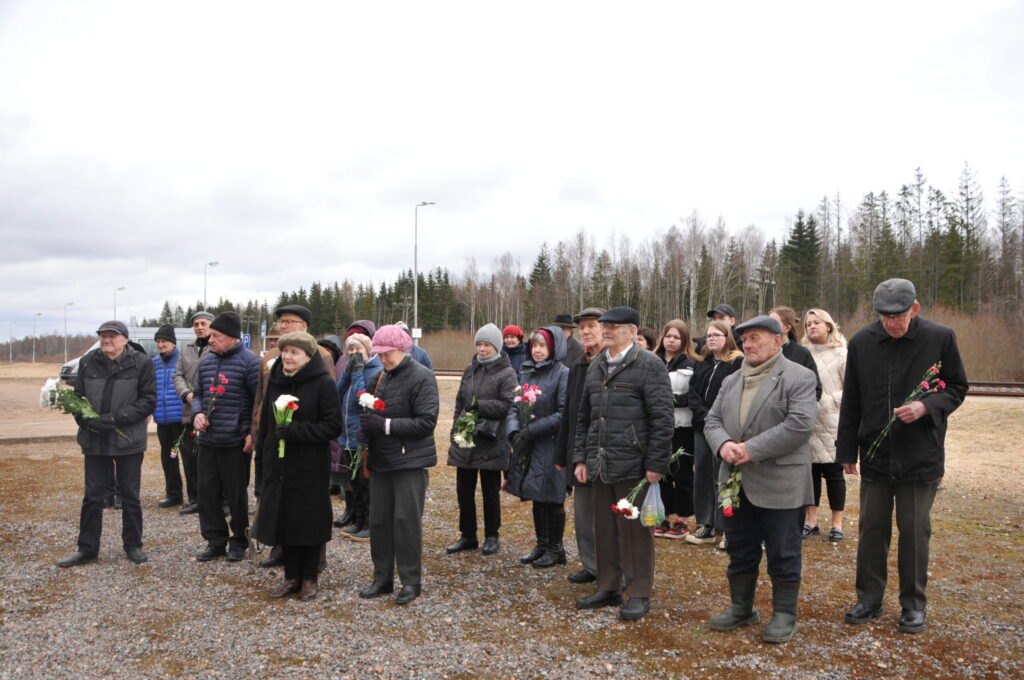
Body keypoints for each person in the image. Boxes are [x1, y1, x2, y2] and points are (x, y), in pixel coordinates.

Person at [837, 279, 967, 634]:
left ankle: (913, 604)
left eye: (899, 316)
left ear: (915, 309)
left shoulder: (940, 337)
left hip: (919, 454)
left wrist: (927, 406)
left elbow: (957, 387)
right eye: (885, 317)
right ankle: (869, 598)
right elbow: (853, 400)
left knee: (914, 532)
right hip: (876, 454)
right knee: (871, 530)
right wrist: (846, 449)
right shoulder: (862, 342)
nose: (892, 323)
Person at [703, 315, 817, 644]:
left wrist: (751, 449)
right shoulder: (732, 380)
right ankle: (742, 608)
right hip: (735, 481)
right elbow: (711, 421)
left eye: (755, 338)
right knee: (740, 549)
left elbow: (799, 425)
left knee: (783, 551)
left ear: (778, 340)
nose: (748, 345)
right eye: (745, 340)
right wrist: (723, 444)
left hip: (781, 482)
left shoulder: (799, 377)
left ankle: (784, 614)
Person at [572, 306, 674, 621]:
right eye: (605, 326)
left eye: (613, 326)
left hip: (634, 465)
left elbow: (662, 419)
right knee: (603, 528)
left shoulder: (648, 365)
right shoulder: (597, 364)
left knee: (634, 531)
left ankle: (639, 592)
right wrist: (581, 457)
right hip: (601, 463)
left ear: (631, 331)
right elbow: (584, 417)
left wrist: (656, 463)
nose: (606, 330)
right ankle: (608, 586)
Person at [57, 320, 157, 568]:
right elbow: (77, 398)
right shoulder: (89, 361)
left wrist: (115, 419)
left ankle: (133, 545)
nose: (106, 340)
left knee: (130, 495)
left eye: (112, 336)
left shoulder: (141, 362)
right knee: (93, 496)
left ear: (124, 339)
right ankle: (87, 548)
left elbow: (148, 400)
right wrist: (86, 421)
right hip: (95, 440)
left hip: (129, 440)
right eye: (103, 336)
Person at [256, 332, 343, 601]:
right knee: (284, 521)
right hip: (279, 464)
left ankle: (309, 578)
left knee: (307, 521)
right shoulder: (276, 381)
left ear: (308, 356)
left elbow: (332, 426)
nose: (287, 356)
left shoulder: (322, 384)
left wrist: (296, 431)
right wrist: (265, 455)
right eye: (285, 351)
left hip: (309, 465)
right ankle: (290, 576)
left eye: (294, 352)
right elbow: (267, 424)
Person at [356, 325, 439, 606]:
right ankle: (382, 578)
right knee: (379, 522)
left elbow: (427, 422)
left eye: (387, 353)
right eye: (378, 354)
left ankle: (410, 580)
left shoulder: (423, 377)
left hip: (409, 462)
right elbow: (368, 411)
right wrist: (365, 429)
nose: (383, 359)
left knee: (405, 522)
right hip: (381, 460)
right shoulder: (379, 377)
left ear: (402, 349)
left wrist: (386, 425)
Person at [192, 311, 261, 563]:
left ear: (232, 338)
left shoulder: (250, 362)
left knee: (236, 495)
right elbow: (197, 392)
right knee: (207, 493)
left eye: (216, 336)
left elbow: (258, 402)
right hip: (208, 440)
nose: (210, 340)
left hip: (235, 442)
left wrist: (252, 433)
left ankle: (239, 541)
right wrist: (197, 412)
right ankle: (215, 540)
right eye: (210, 336)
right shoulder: (207, 361)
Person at [445, 323, 516, 556]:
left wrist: (478, 406)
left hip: (491, 440)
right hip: (466, 439)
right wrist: (456, 431)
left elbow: (508, 405)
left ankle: (492, 536)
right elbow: (459, 403)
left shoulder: (507, 373)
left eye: (486, 345)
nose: (482, 349)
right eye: (479, 344)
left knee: (489, 491)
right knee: (463, 491)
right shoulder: (470, 370)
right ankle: (468, 535)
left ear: (496, 346)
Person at [506, 325, 570, 568]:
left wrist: (532, 430)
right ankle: (541, 544)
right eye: (534, 345)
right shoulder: (527, 371)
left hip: (551, 443)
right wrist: (513, 432)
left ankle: (556, 548)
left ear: (553, 348)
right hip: (529, 443)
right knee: (536, 494)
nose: (537, 350)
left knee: (553, 498)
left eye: (543, 345)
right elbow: (515, 405)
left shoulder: (563, 373)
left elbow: (564, 413)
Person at [554, 307, 605, 585]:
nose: (586, 331)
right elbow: (570, 414)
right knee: (584, 515)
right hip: (580, 453)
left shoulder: (613, 364)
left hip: (607, 454)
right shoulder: (578, 366)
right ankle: (592, 565)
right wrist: (563, 453)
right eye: (583, 327)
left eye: (592, 326)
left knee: (608, 518)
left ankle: (611, 570)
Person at [686, 320, 744, 548]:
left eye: (716, 335)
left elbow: (735, 396)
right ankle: (706, 524)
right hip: (702, 428)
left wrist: (717, 419)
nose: (711, 339)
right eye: (708, 335)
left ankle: (729, 527)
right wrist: (705, 416)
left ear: (727, 337)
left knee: (725, 477)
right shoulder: (702, 363)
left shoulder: (737, 363)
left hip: (726, 430)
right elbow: (692, 393)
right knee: (702, 475)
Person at [801, 308, 848, 542]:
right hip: (807, 420)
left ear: (828, 325)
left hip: (832, 422)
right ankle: (811, 521)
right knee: (810, 473)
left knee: (834, 474)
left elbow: (852, 388)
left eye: (816, 323)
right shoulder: (803, 353)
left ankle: (837, 524)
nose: (811, 327)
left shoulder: (842, 353)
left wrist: (831, 401)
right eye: (808, 323)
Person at [653, 319, 699, 539]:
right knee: (660, 472)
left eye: (676, 337)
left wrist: (669, 400)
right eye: (668, 336)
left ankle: (682, 519)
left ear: (684, 340)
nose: (671, 341)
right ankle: (664, 515)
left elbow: (695, 395)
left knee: (682, 473)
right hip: (657, 427)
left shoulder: (692, 363)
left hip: (683, 426)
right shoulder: (652, 361)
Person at [335, 332, 383, 542]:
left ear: (368, 350)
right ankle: (358, 521)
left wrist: (356, 373)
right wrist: (347, 373)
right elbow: (337, 394)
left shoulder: (375, 370)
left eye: (358, 350)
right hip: (346, 435)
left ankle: (369, 524)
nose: (353, 354)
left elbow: (361, 397)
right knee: (353, 483)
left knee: (365, 484)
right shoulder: (352, 369)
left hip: (362, 436)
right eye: (350, 350)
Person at [173, 311, 215, 515]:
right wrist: (186, 394)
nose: (199, 327)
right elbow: (178, 375)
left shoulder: (216, 347)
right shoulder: (187, 350)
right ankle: (195, 499)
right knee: (190, 458)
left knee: (211, 461)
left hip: (212, 412)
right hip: (189, 411)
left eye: (203, 323)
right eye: (196, 324)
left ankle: (217, 500)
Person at [152, 325, 185, 508]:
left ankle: (196, 497)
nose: (160, 345)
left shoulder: (182, 359)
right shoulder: (154, 362)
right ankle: (174, 495)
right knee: (168, 458)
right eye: (157, 342)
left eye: (163, 341)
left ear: (172, 342)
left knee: (189, 459)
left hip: (181, 417)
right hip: (162, 418)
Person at [769, 306, 822, 401]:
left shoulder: (801, 354)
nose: (768, 326)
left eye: (774, 323)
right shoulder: (763, 353)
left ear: (787, 328)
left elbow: (815, 391)